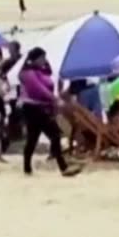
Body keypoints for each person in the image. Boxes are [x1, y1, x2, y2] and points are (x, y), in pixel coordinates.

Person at [17, 47, 81, 177]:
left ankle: (27, 168)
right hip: (33, 107)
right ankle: (63, 167)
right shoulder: (28, 73)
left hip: (41, 107)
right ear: (34, 59)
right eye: (41, 58)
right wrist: (55, 99)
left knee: (33, 138)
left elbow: (49, 83)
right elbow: (39, 89)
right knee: (54, 134)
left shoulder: (41, 72)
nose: (44, 61)